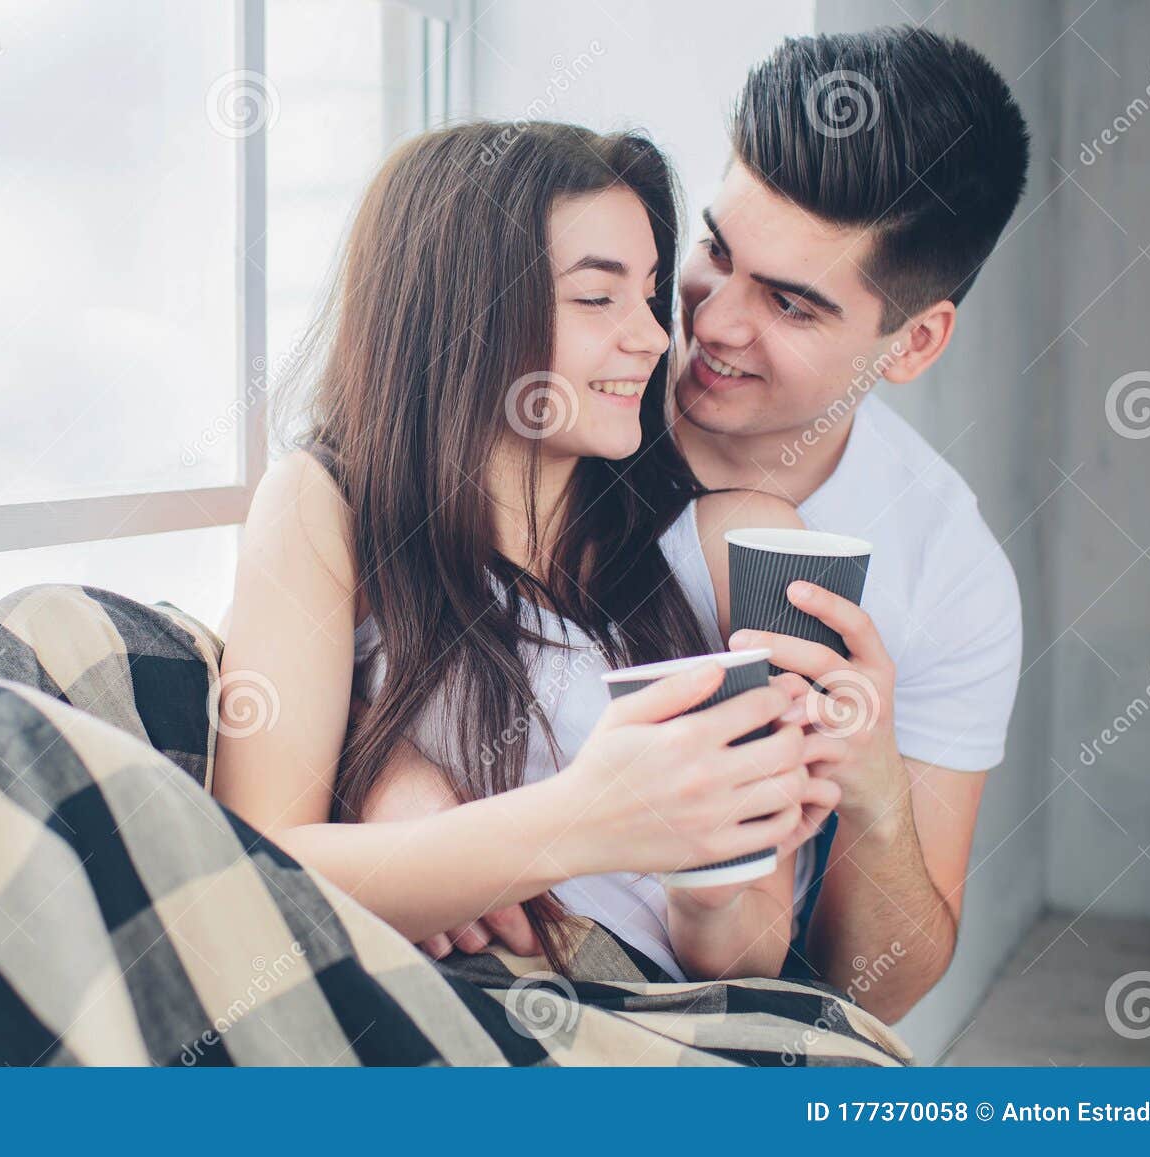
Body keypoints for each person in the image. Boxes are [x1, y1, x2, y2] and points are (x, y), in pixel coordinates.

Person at [373, 28, 1031, 1023]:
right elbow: (377, 601)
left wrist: (876, 796)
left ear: (913, 342)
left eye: (790, 304)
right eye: (717, 251)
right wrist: (399, 779)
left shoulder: (945, 576)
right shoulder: (551, 391)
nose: (710, 321)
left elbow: (864, 992)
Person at [211, 120, 841, 982]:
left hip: (646, 1029)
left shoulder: (749, 547)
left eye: (652, 294)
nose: (656, 339)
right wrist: (581, 818)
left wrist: (706, 888)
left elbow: (759, 953)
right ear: (463, 317)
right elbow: (255, 868)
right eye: (597, 298)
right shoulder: (326, 508)